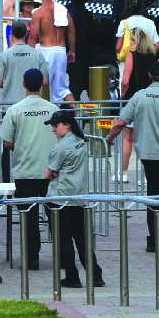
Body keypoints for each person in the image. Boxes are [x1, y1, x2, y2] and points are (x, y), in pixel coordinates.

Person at [107, 62, 159, 252]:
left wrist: (109, 138)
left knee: (153, 196)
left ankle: (154, 240)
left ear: (148, 75)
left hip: (148, 156)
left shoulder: (139, 97)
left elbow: (121, 122)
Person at [0, 68, 58, 270]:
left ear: (23, 84)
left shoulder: (15, 110)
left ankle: (32, 258)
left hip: (25, 170)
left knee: (28, 217)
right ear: (42, 84)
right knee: (55, 214)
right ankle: (61, 255)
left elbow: (6, 141)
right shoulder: (53, 109)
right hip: (50, 170)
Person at [44, 110, 104, 288]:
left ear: (67, 125)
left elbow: (48, 173)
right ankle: (95, 275)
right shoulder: (81, 142)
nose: (53, 129)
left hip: (60, 199)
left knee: (64, 240)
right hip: (79, 197)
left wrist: (54, 173)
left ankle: (72, 276)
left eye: (56, 125)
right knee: (82, 239)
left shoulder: (60, 147)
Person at [29, 0, 76, 102]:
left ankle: (44, 116)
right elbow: (71, 31)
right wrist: (72, 51)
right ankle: (78, 116)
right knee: (62, 89)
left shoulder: (38, 13)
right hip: (61, 51)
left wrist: (28, 55)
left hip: (46, 52)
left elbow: (33, 37)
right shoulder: (63, 10)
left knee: (41, 87)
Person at [0, 21, 48, 109]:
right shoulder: (37, 54)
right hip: (33, 106)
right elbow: (45, 81)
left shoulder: (4, 56)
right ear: (26, 34)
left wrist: (10, 82)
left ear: (11, 34)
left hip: (10, 105)